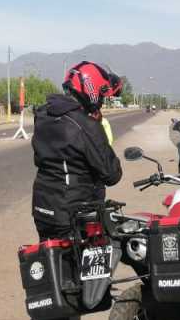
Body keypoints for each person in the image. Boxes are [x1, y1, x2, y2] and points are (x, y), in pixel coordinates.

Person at [31, 61, 123, 242]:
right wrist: (96, 128)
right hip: (75, 214)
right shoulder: (86, 125)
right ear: (92, 89)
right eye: (102, 94)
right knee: (87, 265)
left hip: (42, 209)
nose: (102, 101)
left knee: (53, 266)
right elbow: (112, 175)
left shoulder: (44, 115)